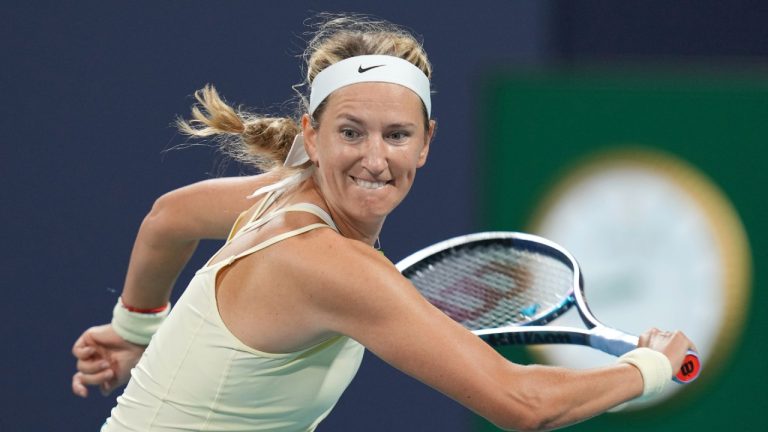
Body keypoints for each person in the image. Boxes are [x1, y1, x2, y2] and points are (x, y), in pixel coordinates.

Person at [71, 14, 696, 432]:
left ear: (426, 143)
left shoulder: (276, 197)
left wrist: (134, 327)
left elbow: (168, 217)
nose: (375, 159)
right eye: (351, 133)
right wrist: (648, 370)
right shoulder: (330, 266)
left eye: (397, 135)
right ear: (312, 135)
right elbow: (521, 404)